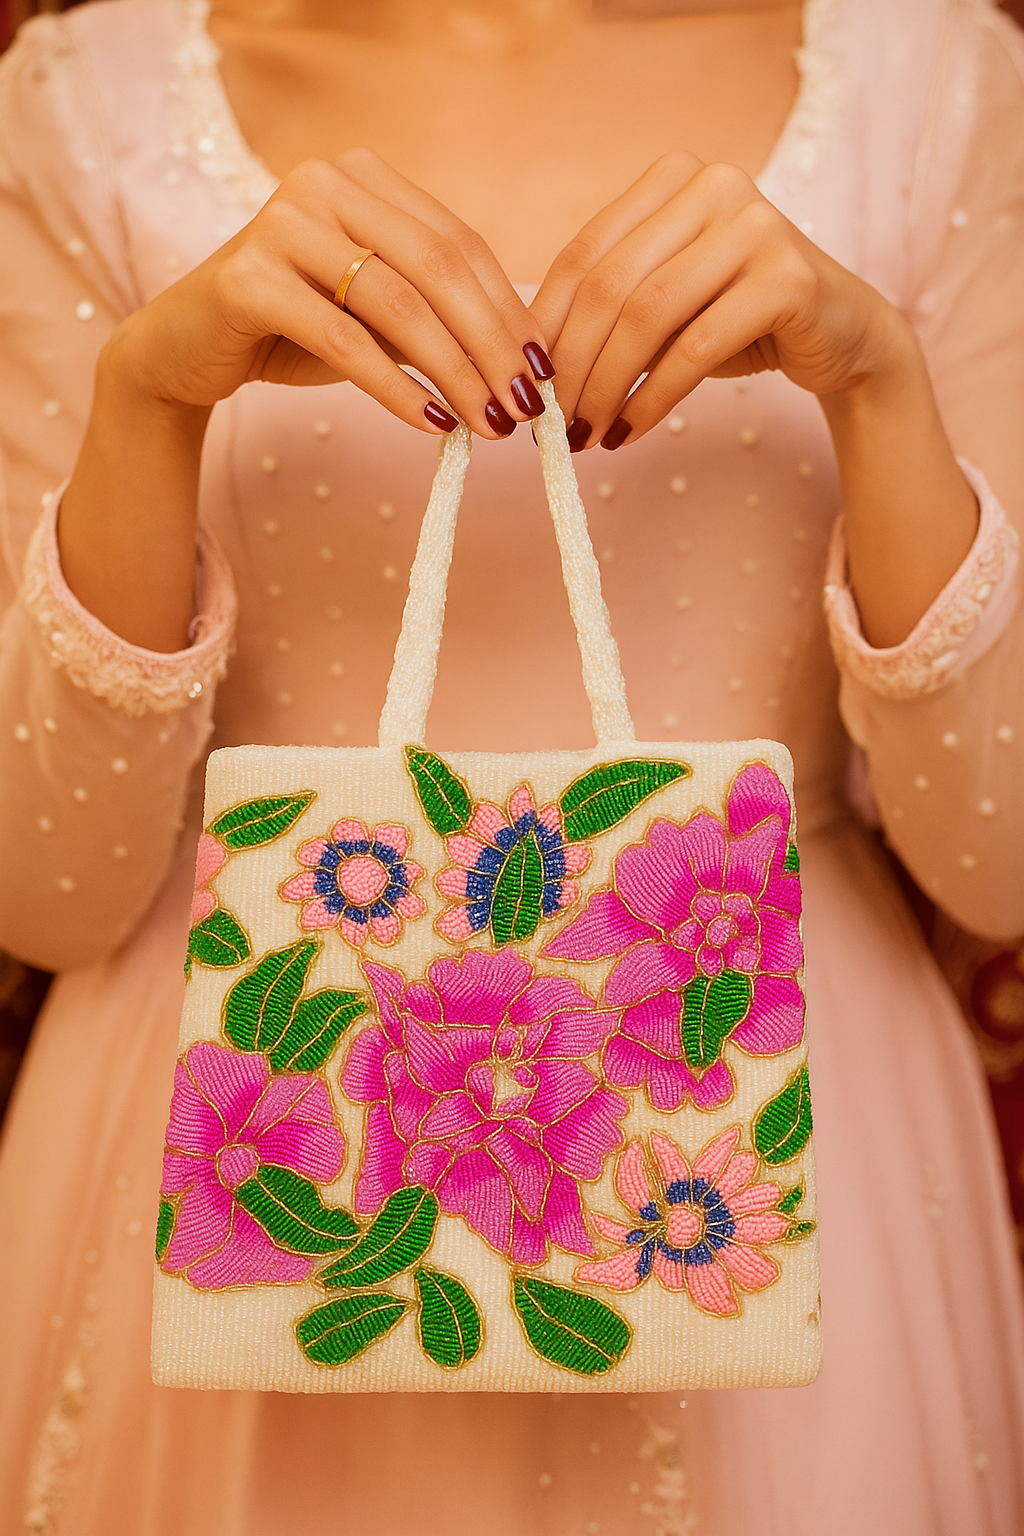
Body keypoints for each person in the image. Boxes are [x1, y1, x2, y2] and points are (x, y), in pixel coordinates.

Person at [1, 0, 1023, 1529]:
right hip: (246, 1114)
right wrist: (147, 408)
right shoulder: (79, 103)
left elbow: (998, 873)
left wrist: (878, 382)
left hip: (774, 1105)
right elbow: (44, 893)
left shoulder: (943, 77)